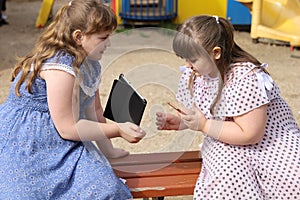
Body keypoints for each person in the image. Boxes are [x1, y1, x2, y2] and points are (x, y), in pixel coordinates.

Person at [0, 0, 146, 199]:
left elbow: (94, 113)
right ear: (79, 37)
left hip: (62, 138)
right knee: (27, 192)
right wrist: (118, 130)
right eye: (103, 38)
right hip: (27, 141)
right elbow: (67, 128)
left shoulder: (90, 63)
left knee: (105, 188)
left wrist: (108, 150)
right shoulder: (59, 67)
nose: (109, 43)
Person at [156, 15, 300, 199]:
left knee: (292, 180)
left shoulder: (245, 78)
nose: (187, 66)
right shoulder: (197, 75)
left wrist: (205, 125)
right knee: (227, 180)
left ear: (216, 53)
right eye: (184, 58)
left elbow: (251, 134)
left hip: (271, 141)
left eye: (191, 59)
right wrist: (183, 122)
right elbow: (205, 115)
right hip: (225, 140)